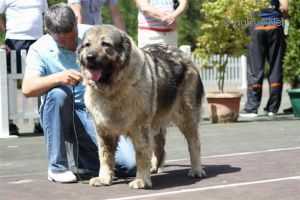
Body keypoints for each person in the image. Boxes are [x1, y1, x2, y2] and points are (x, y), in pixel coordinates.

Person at [22, 3, 136, 183]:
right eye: (62, 41)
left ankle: (87, 162)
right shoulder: (39, 49)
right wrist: (59, 77)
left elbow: (124, 61)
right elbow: (27, 88)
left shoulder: (94, 34)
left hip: (98, 108)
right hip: (65, 113)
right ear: (48, 31)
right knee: (58, 94)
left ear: (76, 22)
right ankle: (57, 167)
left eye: (73, 37)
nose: (69, 44)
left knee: (130, 166)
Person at [0, 0, 48, 135]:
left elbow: (46, 16)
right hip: (14, 40)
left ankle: (42, 120)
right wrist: (3, 34)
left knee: (42, 77)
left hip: (39, 40)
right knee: (10, 81)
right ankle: (8, 123)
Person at [240, 0, 288, 118]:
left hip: (256, 24)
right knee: (276, 67)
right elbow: (285, 7)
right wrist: (285, 22)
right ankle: (273, 108)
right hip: (275, 24)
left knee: (255, 68)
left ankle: (252, 108)